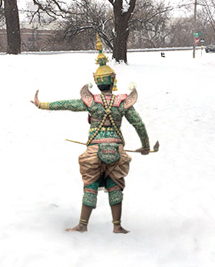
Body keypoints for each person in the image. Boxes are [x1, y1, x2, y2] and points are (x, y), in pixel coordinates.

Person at [31, 38, 150, 233]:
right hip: (116, 149)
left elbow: (67, 105)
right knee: (115, 185)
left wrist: (42, 104)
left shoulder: (91, 102)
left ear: (96, 82)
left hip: (94, 149)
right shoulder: (122, 102)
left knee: (91, 185)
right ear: (113, 81)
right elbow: (139, 124)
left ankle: (82, 225)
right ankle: (117, 226)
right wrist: (145, 146)